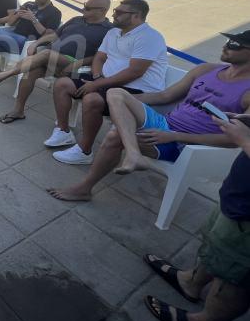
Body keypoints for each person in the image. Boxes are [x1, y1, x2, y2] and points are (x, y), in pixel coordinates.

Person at [48, 29, 250, 201]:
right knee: (115, 93)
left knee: (115, 135)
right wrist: (126, 103)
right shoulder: (206, 70)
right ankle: (134, 155)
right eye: (228, 41)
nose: (226, 46)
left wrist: (176, 136)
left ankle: (85, 189)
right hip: (165, 123)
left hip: (186, 143)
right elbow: (165, 95)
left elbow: (235, 140)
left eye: (235, 45)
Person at [141, 112, 250, 321]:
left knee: (236, 276)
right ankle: (191, 282)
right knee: (217, 247)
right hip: (238, 196)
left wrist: (245, 140)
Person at [44, 0, 167, 165]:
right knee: (63, 84)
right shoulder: (114, 32)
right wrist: (97, 77)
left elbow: (135, 72)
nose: (114, 14)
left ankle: (84, 151)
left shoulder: (149, 37)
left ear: (136, 16)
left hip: (135, 91)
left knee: (92, 99)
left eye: (119, 12)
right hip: (106, 82)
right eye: (115, 10)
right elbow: (100, 57)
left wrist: (97, 85)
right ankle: (63, 131)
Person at [0, 0, 113, 123]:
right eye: (84, 5)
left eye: (87, 8)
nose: (83, 9)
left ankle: (2, 76)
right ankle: (18, 110)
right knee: (29, 73)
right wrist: (36, 43)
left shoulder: (109, 30)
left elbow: (101, 56)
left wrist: (77, 64)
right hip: (52, 59)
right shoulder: (76, 19)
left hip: (74, 64)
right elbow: (54, 35)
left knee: (47, 53)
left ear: (102, 11)